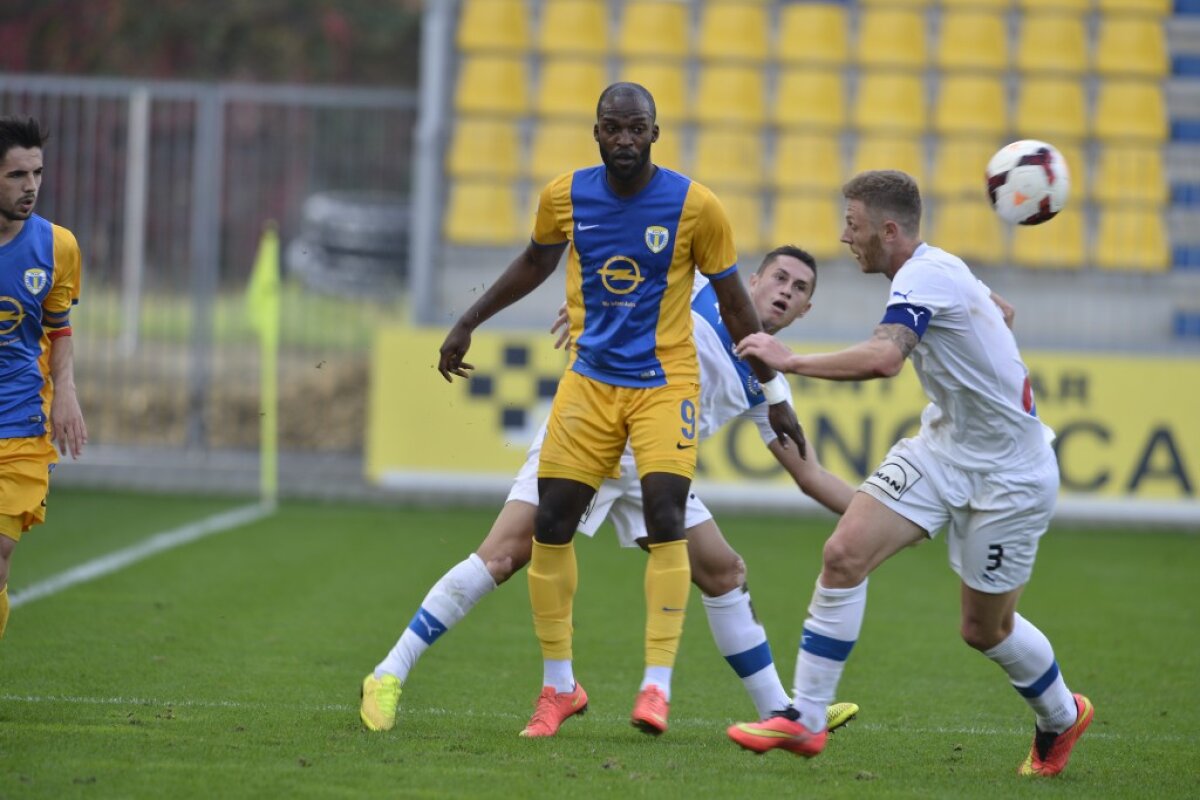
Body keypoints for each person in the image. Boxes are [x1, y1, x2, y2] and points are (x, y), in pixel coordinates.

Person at [362, 246, 859, 736]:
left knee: (725, 572)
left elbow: (810, 475)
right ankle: (388, 673)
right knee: (501, 557)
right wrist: (588, 307)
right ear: (753, 281)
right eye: (779, 278)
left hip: (658, 468)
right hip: (592, 430)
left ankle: (780, 710)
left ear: (805, 310)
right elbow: (631, 279)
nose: (785, 292)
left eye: (798, 289)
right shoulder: (703, 290)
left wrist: (885, 515)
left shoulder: (769, 384)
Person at [433, 83, 805, 736]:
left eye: (637, 129)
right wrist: (468, 322)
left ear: (655, 133)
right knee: (549, 527)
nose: (626, 140)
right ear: (597, 131)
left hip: (664, 389)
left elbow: (737, 304)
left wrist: (774, 394)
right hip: (590, 390)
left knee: (674, 521)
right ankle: (558, 689)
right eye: (614, 128)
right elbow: (533, 262)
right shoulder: (565, 196)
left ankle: (657, 688)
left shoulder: (697, 206)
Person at [727, 171, 1091, 778]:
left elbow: (885, 358)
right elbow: (1000, 307)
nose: (847, 237)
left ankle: (1062, 714)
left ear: (887, 229)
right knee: (844, 553)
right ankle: (806, 719)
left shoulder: (925, 274)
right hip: (943, 448)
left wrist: (790, 358)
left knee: (985, 629)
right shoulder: (936, 270)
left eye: (854, 224)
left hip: (1011, 476)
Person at [0, 115, 87, 640]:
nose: (30, 186)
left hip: (19, 425)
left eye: (37, 173)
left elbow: (59, 327)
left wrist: (67, 393)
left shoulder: (58, 247)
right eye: (16, 175)